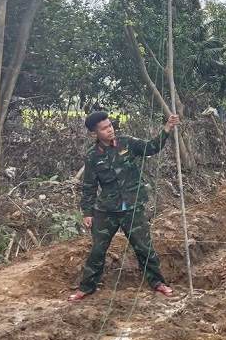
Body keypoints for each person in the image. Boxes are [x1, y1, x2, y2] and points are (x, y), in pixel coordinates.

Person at [69, 111, 180, 302]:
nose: (110, 130)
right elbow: (89, 186)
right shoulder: (92, 156)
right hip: (107, 210)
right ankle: (86, 287)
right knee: (97, 250)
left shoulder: (127, 143)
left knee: (144, 247)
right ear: (95, 133)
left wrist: (167, 128)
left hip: (132, 207)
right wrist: (87, 212)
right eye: (104, 128)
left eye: (110, 125)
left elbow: (151, 147)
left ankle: (158, 283)